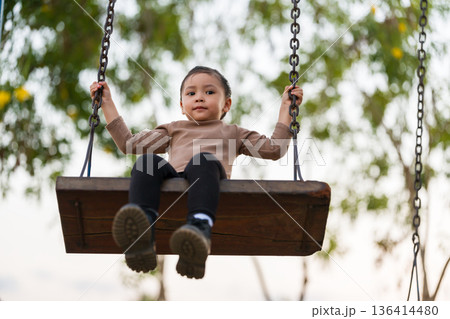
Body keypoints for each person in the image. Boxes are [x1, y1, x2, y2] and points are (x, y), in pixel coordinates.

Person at [90, 66, 303, 279]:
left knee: (202, 160)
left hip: (207, 184)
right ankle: (142, 229)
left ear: (226, 104)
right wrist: (106, 103)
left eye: (209, 92)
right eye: (191, 93)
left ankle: (199, 228)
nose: (199, 98)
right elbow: (130, 144)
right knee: (147, 162)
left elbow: (274, 149)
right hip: (175, 179)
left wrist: (286, 108)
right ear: (182, 106)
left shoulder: (234, 133)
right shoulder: (174, 129)